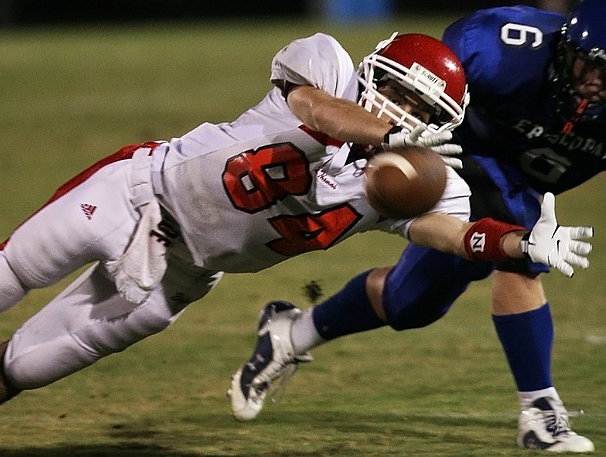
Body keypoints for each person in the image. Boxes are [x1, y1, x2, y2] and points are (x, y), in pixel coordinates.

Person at [0, 31, 592, 429]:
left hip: (179, 274)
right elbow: (314, 108)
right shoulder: (326, 64)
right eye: (400, 97)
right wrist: (388, 136)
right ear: (372, 76)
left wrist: (516, 244)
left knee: (27, 367)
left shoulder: (424, 180)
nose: (407, 118)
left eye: (426, 114)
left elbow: (451, 234)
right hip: (135, 195)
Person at [229, 2, 604, 453]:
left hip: (524, 179)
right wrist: (383, 143)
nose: (594, 81)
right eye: (590, 64)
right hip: (450, 152)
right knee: (521, 246)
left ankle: (291, 332)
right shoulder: (502, 45)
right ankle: (540, 413)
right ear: (566, 48)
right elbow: (423, 83)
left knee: (412, 303)